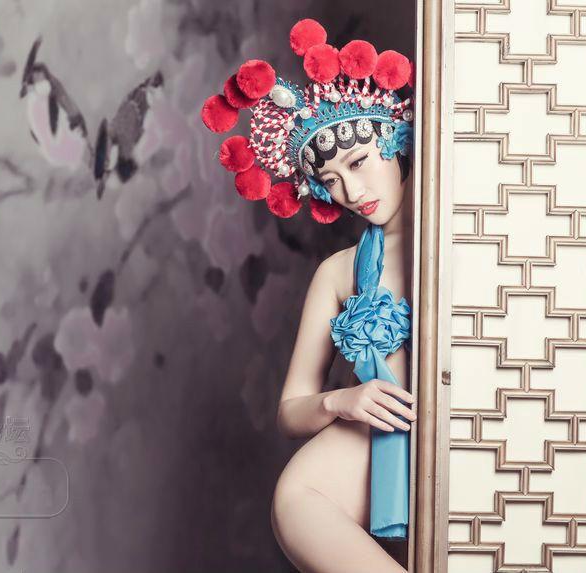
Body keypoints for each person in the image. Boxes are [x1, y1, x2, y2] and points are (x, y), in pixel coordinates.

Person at [201, 19, 417, 573]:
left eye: (358, 162)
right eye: (332, 180)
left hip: (469, 423)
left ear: (394, 142)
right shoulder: (338, 273)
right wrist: (342, 401)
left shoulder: (459, 224)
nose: (353, 191)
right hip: (367, 452)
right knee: (297, 502)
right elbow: (290, 409)